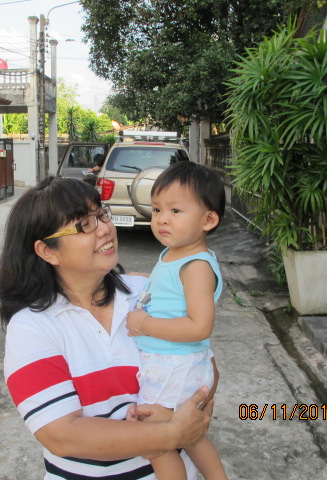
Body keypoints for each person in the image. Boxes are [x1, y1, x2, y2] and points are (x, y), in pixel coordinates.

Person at [0, 176, 218, 479]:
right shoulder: (32, 327)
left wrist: (184, 406)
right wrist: (172, 433)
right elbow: (62, 435)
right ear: (47, 251)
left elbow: (204, 364)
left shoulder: (144, 292)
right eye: (85, 224)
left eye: (102, 214)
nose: (104, 228)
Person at [126, 162, 229, 480]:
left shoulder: (196, 267)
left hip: (174, 364)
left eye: (175, 210)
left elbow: (199, 327)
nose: (162, 219)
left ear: (208, 220)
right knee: (191, 438)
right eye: (157, 209)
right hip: (173, 362)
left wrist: (143, 324)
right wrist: (145, 279)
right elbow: (171, 292)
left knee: (155, 441)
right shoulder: (178, 255)